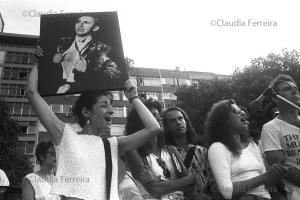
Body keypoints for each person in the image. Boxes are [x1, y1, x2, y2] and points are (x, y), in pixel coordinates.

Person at [27, 48, 161, 200]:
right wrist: (38, 64)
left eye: (111, 104)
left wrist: (134, 97)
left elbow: (153, 128)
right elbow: (32, 93)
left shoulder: (112, 144)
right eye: (104, 105)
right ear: (86, 112)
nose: (111, 110)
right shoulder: (66, 136)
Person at [205, 99, 286, 200]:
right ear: (223, 120)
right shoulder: (218, 148)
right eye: (236, 111)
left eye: (241, 110)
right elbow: (227, 192)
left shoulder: (252, 145)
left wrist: (277, 172)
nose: (243, 112)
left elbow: (267, 182)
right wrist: (264, 178)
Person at [124, 99, 196, 200]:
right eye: (153, 115)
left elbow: (191, 184)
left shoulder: (171, 150)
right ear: (141, 121)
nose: (159, 118)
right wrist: (184, 181)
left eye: (159, 115)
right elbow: (154, 189)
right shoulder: (133, 151)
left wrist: (160, 181)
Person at [51, 15, 121, 94]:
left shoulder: (103, 48)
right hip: (58, 90)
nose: (80, 25)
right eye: (78, 22)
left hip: (82, 92)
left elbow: (115, 77)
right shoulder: (62, 42)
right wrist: (54, 63)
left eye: (86, 22)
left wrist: (87, 70)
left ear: (95, 28)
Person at [260, 74, 300, 200]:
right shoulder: (270, 128)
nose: (295, 91)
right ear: (275, 98)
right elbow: (281, 168)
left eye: (296, 88)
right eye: (287, 89)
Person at [162, 106, 213, 199]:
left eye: (180, 118)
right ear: (167, 127)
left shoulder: (202, 151)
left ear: (186, 121)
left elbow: (212, 181)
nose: (178, 122)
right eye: (172, 121)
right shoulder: (165, 154)